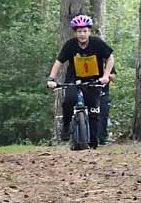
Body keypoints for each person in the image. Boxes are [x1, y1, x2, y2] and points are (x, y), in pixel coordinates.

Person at [46, 15, 115, 150]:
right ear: (75, 33)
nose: (82, 34)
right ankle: (66, 125)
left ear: (89, 31)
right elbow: (59, 62)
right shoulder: (70, 45)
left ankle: (93, 144)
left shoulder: (97, 43)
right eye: (79, 31)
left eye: (85, 31)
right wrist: (51, 79)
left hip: (94, 79)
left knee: (93, 111)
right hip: (74, 78)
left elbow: (110, 58)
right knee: (69, 101)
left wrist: (106, 76)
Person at [98, 67, 117, 145]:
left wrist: (106, 74)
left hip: (104, 93)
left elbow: (114, 77)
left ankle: (102, 138)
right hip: (91, 91)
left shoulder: (108, 61)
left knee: (103, 115)